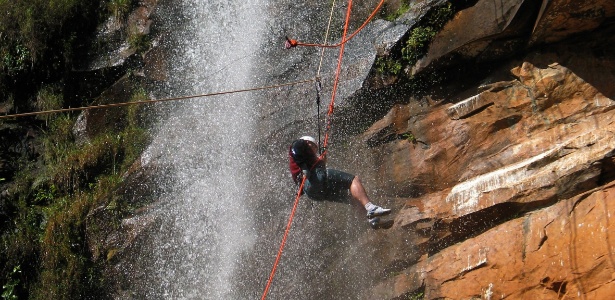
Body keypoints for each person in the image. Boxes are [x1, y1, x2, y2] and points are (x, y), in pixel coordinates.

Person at [288, 135, 391, 227]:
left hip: (314, 194)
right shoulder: (300, 144)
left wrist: (320, 162)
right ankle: (370, 207)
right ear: (307, 143)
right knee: (353, 180)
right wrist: (304, 167)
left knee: (353, 198)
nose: (315, 150)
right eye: (314, 146)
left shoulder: (307, 160)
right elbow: (296, 148)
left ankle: (371, 219)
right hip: (314, 181)